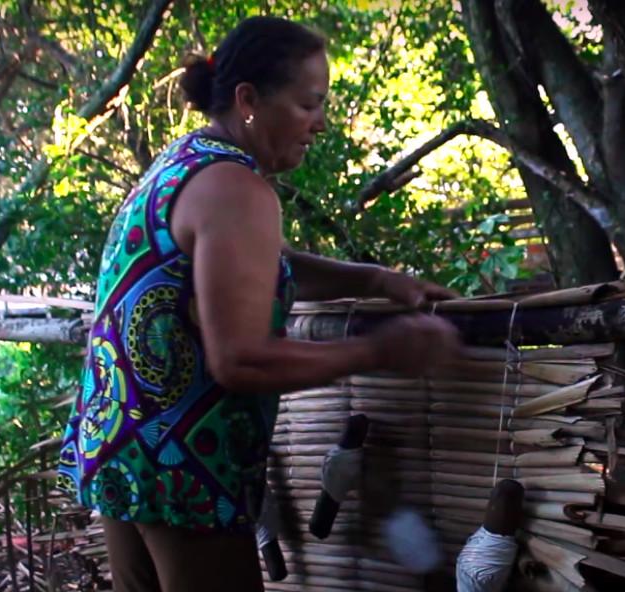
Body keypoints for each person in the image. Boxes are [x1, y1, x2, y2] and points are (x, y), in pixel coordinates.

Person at [56, 16, 461, 592]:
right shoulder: (236, 188)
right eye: (307, 104)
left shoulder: (184, 164)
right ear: (248, 99)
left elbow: (264, 264)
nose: (320, 123)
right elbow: (239, 360)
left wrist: (378, 280)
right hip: (183, 472)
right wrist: (381, 349)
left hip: (125, 456)